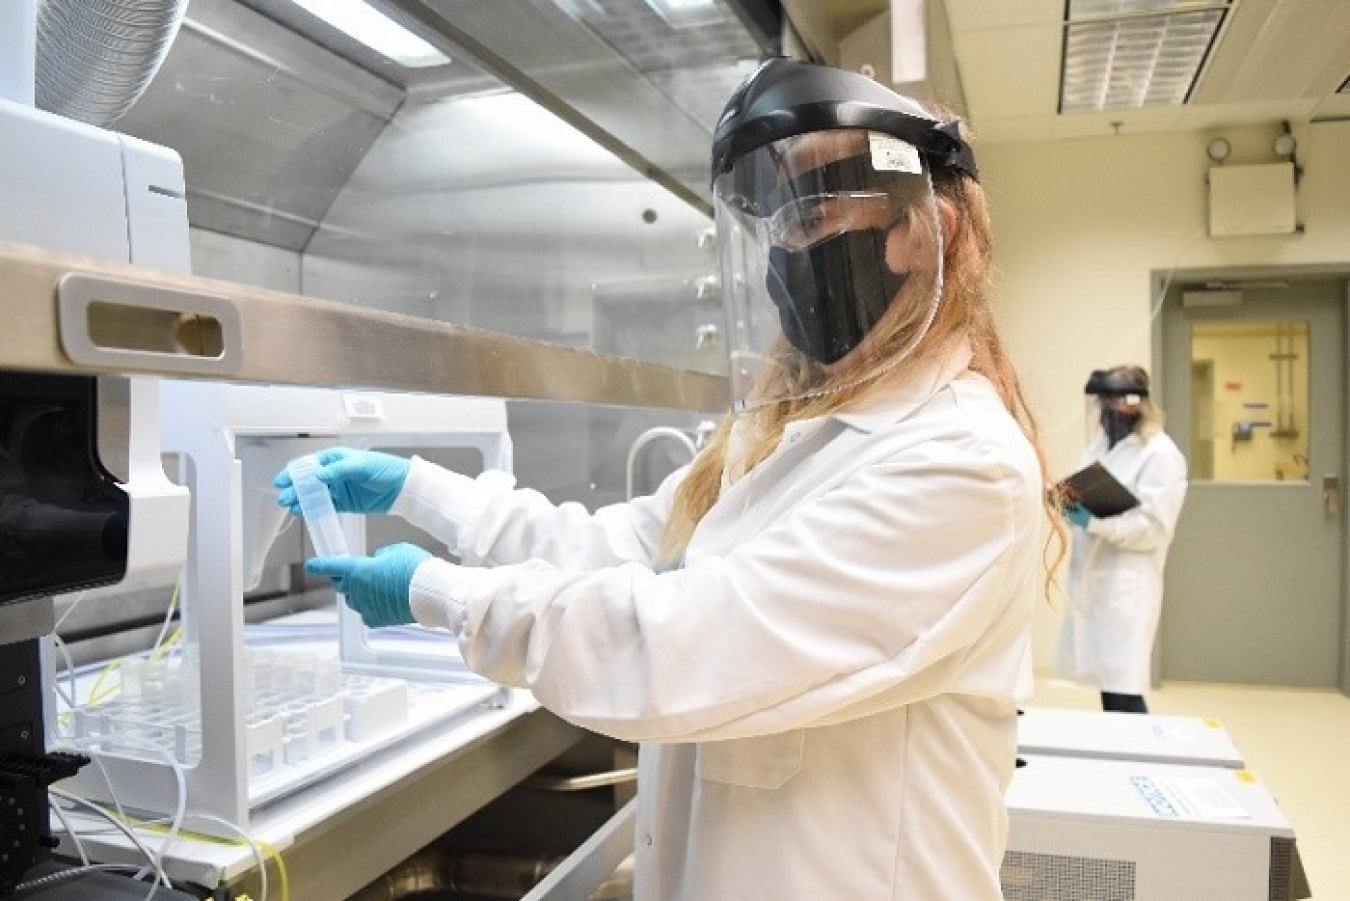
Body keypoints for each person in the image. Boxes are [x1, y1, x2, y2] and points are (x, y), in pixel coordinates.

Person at [276, 57, 1060, 900]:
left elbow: (680, 645)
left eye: (814, 216)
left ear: (921, 233)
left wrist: (440, 595)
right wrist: (419, 491)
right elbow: (619, 548)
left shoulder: (959, 463)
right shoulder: (788, 435)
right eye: (774, 226)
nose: (784, 256)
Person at [1057, 365, 1188, 714]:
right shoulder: (1101, 447)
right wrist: (1070, 508)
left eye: (1110, 404)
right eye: (1100, 404)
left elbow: (1154, 529)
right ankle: (1124, 754)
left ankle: (1138, 756)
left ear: (1134, 404)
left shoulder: (1159, 454)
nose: (1104, 413)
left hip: (1127, 584)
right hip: (1098, 579)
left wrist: (1097, 524)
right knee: (1110, 686)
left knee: (1124, 688)